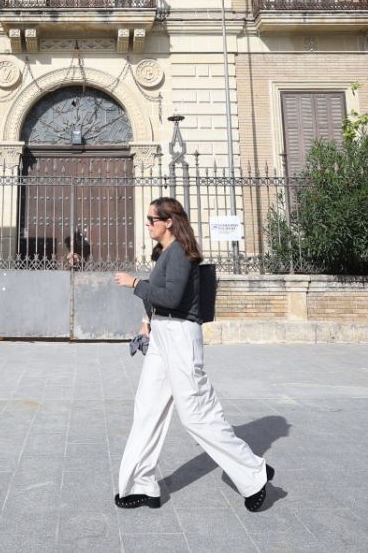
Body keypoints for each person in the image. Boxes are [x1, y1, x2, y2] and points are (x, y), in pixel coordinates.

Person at [113, 197, 273, 512]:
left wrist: (135, 283)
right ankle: (139, 483)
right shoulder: (163, 254)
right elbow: (160, 298)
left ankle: (253, 473)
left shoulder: (182, 253)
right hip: (161, 334)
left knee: (196, 414)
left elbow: (171, 297)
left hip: (181, 336)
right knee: (147, 407)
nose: (147, 224)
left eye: (151, 219)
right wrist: (146, 324)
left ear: (169, 221)